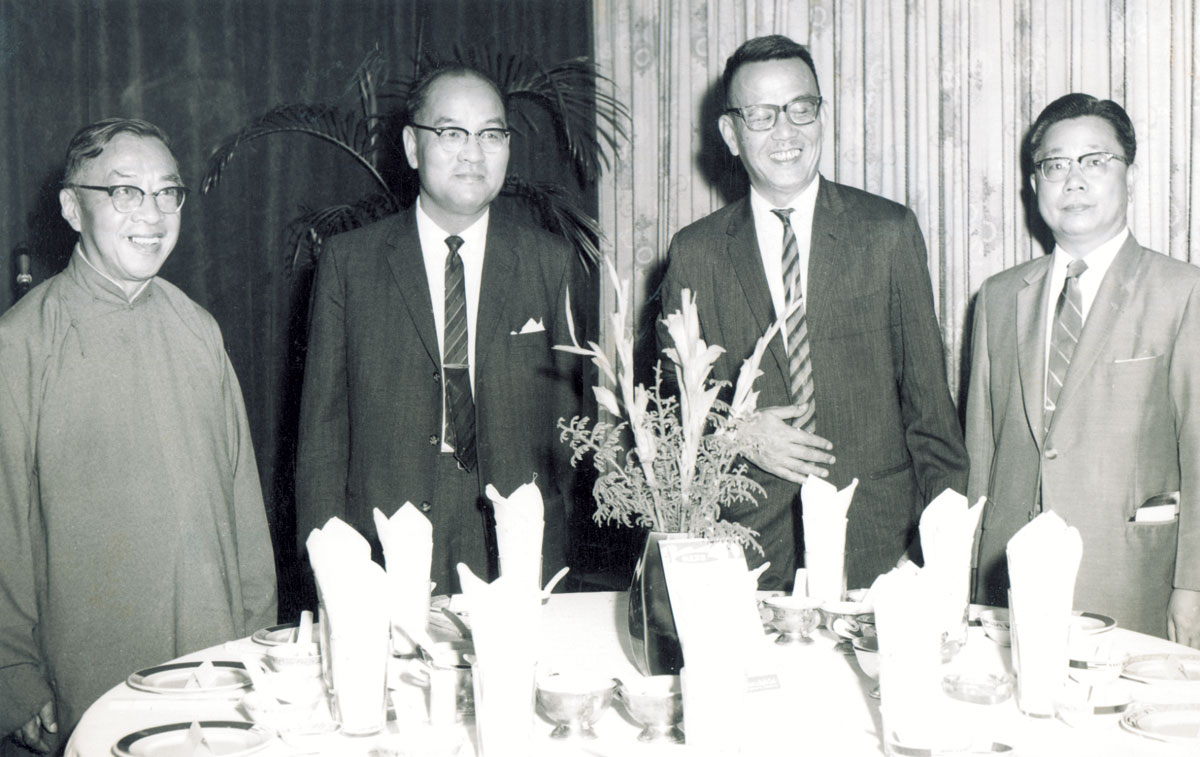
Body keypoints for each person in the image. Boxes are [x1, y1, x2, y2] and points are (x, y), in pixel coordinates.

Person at [0, 118, 278, 752]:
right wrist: (12, 673)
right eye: (125, 192)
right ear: (73, 207)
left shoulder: (197, 328)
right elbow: (3, 523)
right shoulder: (22, 343)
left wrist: (258, 638)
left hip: (216, 659)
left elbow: (243, 506)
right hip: (92, 671)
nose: (151, 214)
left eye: (167, 193)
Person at [657, 36, 968, 591]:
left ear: (821, 116)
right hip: (745, 550)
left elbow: (931, 413)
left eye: (802, 108)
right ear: (730, 134)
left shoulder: (887, 232)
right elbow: (664, 412)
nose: (786, 131)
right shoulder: (695, 252)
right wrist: (734, 430)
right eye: (761, 115)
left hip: (880, 548)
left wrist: (929, 556)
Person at [295, 64, 580, 596]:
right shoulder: (350, 262)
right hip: (384, 531)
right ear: (411, 145)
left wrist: (552, 529)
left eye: (491, 134)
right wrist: (326, 550)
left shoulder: (549, 260)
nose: (473, 153)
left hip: (513, 532)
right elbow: (322, 430)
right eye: (451, 133)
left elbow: (571, 426)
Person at [967, 93, 1200, 645]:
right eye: (1055, 164)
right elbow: (982, 453)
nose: (1073, 180)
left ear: (1129, 176)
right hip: (1008, 581)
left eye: (1095, 161)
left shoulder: (1182, 292)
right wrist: (970, 572)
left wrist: (1192, 586)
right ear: (1034, 185)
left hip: (1131, 576)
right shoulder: (999, 297)